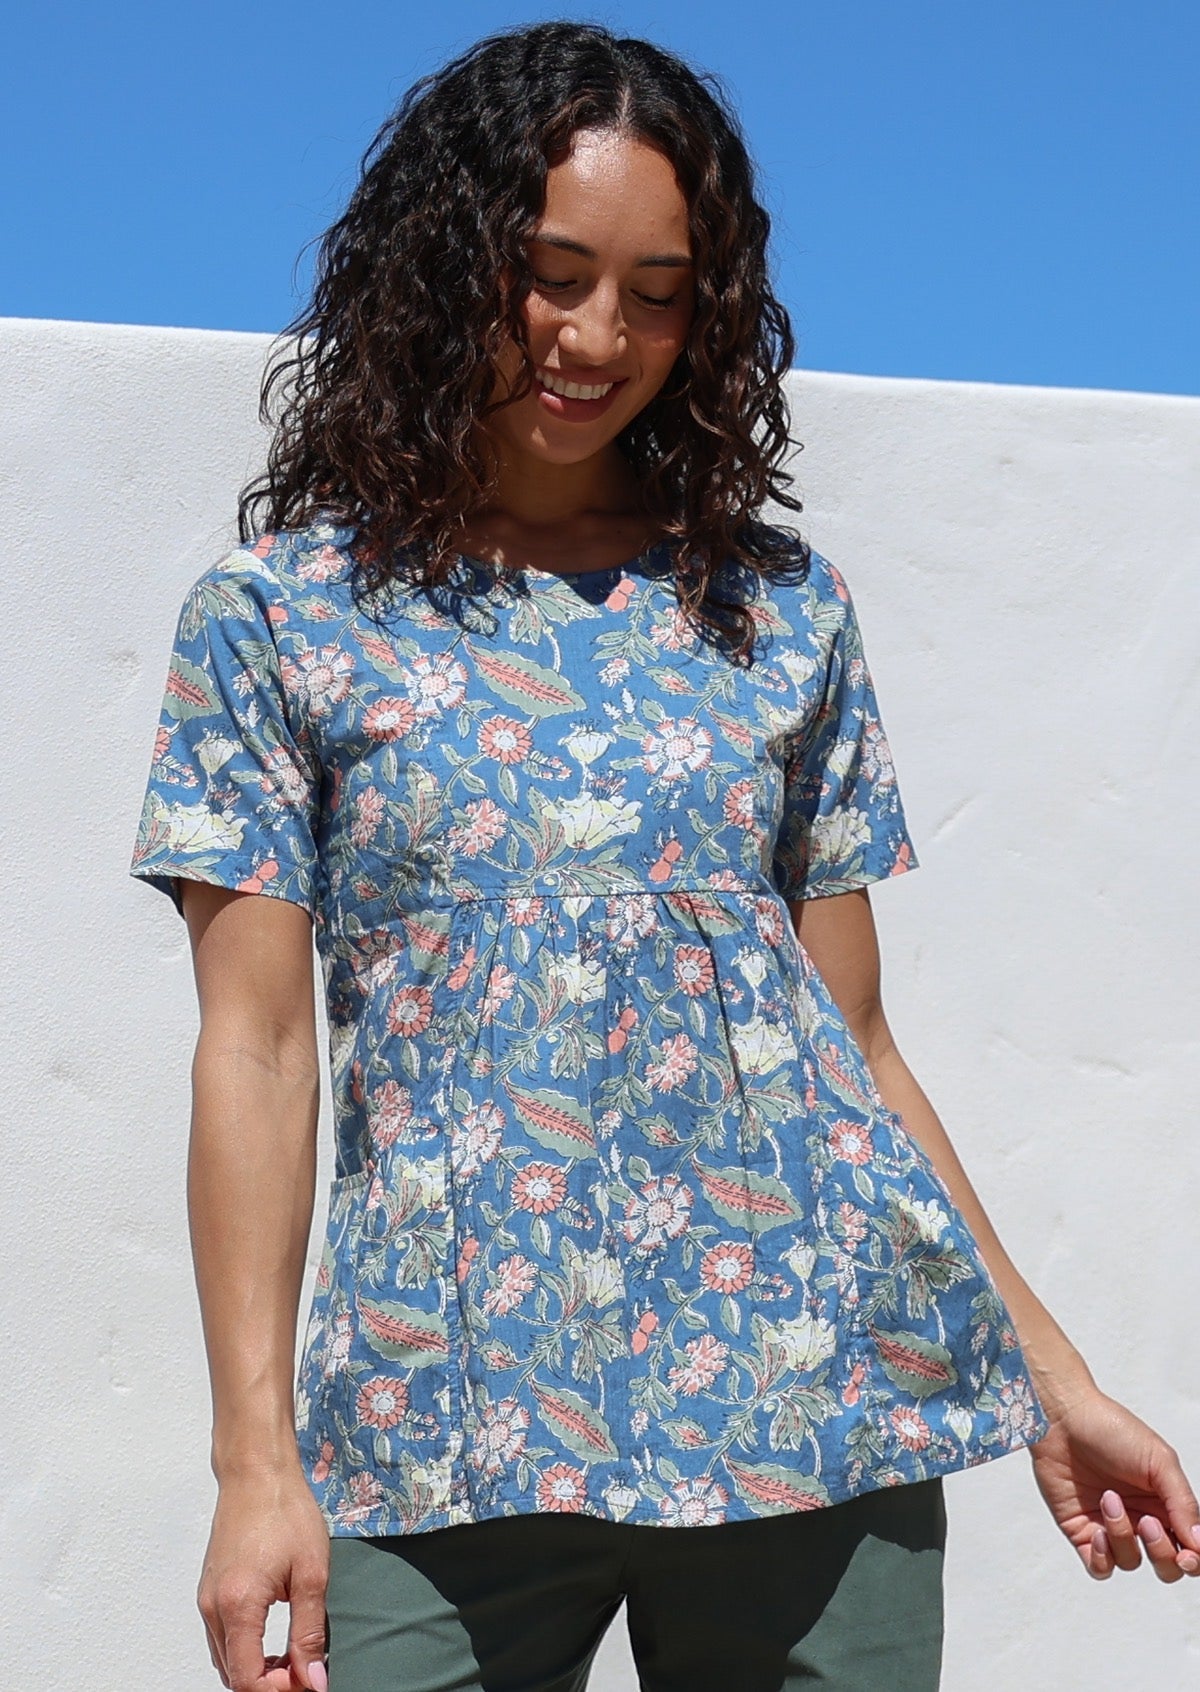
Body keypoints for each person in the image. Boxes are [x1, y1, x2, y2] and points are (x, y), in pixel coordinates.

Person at [127, 21, 1200, 1692]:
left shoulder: (776, 609)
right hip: (439, 1431)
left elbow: (852, 1051)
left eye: (658, 290)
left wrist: (1048, 1373)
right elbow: (255, 1053)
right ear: (446, 264)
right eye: (550, 275)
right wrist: (255, 1464)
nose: (596, 335)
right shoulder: (281, 616)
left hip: (815, 1418)